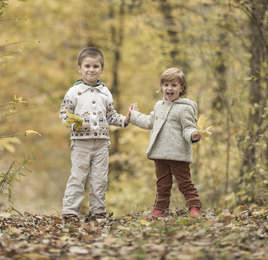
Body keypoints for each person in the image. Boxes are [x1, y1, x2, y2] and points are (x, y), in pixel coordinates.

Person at [59, 47, 131, 223]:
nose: (91, 70)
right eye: (87, 66)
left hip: (102, 142)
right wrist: (72, 123)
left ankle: (97, 212)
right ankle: (70, 211)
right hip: (80, 142)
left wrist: (126, 119)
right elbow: (64, 114)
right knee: (78, 176)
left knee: (100, 178)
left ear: (102, 69)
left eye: (96, 66)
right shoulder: (73, 92)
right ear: (80, 68)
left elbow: (111, 115)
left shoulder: (105, 92)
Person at [129, 67, 202, 219]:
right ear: (161, 87)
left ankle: (194, 208)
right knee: (162, 185)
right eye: (166, 85)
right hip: (160, 154)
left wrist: (193, 135)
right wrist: (134, 116)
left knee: (185, 184)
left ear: (181, 88)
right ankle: (160, 210)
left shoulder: (185, 109)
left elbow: (188, 127)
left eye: (174, 85)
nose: (169, 88)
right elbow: (149, 122)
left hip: (178, 154)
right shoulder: (158, 106)